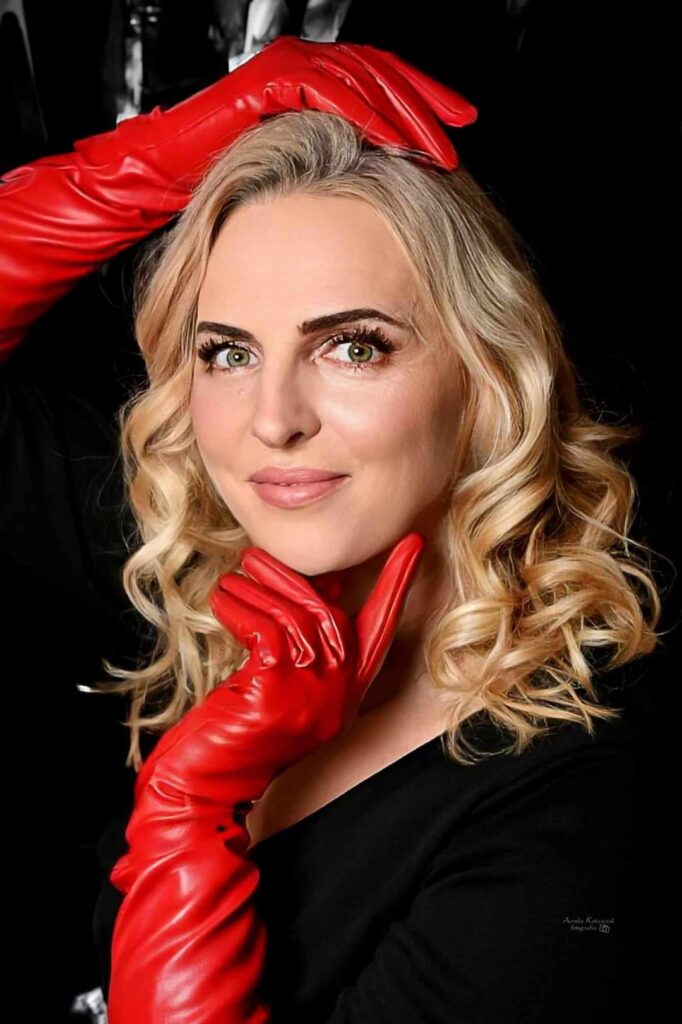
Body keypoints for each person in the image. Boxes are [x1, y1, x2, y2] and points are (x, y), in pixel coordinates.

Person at [0, 35, 663, 1024]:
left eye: (353, 346)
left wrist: (188, 809)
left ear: (487, 379)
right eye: (228, 353)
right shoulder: (207, 570)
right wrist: (157, 157)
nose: (273, 421)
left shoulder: (571, 817)